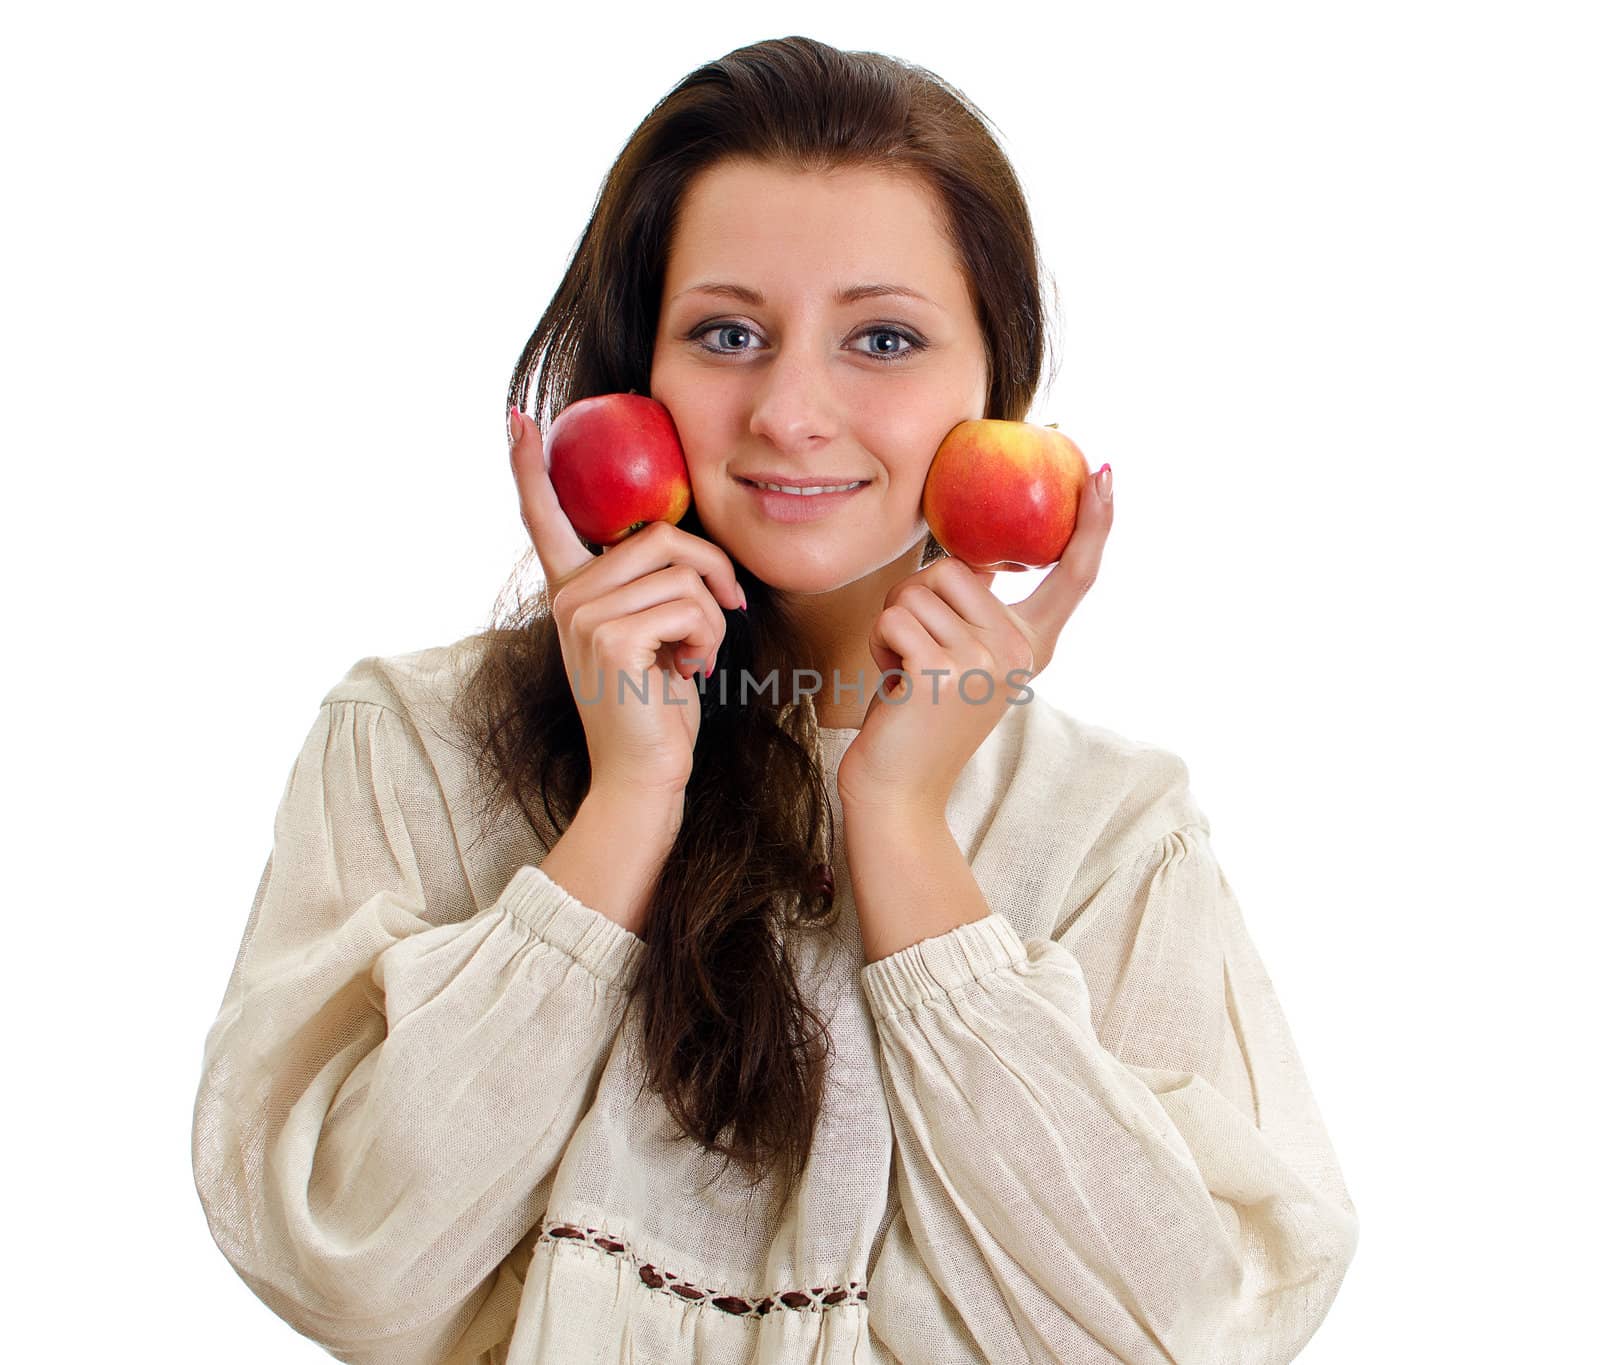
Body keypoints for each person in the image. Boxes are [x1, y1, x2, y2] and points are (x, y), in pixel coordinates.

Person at [190, 35, 1359, 1365]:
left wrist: (903, 823)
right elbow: (350, 1260)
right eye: (729, 332)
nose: (795, 411)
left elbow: (1178, 1331)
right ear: (639, 372)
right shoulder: (414, 744)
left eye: (884, 337)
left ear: (997, 395)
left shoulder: (1110, 829)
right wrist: (627, 805)